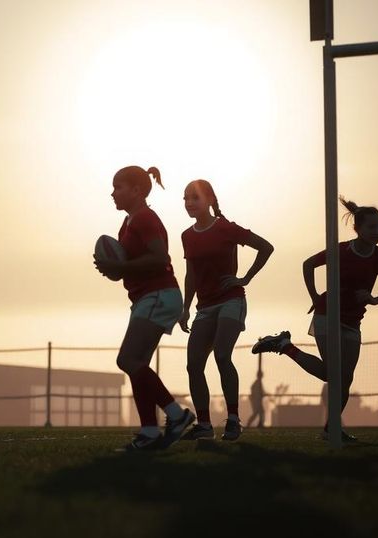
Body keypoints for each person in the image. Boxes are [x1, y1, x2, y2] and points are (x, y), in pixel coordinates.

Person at [252, 197, 378, 442]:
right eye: (372, 227)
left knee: (345, 380)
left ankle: (330, 429)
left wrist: (375, 299)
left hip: (353, 322)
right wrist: (314, 296)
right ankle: (285, 346)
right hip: (327, 316)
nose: (377, 232)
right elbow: (308, 264)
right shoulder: (341, 250)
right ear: (358, 229)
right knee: (332, 375)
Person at [94, 165, 196, 450]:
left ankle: (177, 415)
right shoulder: (128, 224)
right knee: (137, 365)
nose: (113, 193)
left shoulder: (144, 218)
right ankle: (150, 433)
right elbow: (124, 270)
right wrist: (111, 268)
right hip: (149, 296)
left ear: (137, 190)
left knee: (128, 360)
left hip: (159, 294)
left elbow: (160, 256)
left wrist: (121, 265)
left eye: (118, 187)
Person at [177, 179, 273, 441]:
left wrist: (245, 278)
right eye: (185, 199)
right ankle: (205, 426)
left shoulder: (226, 228)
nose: (189, 203)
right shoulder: (187, 236)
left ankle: (233, 420)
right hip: (204, 308)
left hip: (231, 300)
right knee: (193, 365)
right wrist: (185, 308)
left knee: (221, 355)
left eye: (194, 198)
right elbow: (191, 275)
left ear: (209, 200)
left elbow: (266, 247)